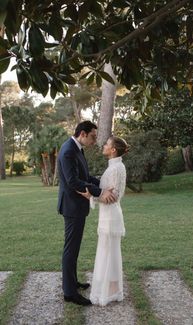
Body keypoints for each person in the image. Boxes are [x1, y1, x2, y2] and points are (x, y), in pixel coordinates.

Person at [57, 121, 116, 306]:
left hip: (77, 206)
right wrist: (100, 193)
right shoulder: (68, 151)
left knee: (74, 249)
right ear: (82, 134)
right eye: (92, 136)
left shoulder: (77, 149)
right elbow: (73, 181)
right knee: (70, 249)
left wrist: (103, 184)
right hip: (72, 207)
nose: (94, 141)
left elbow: (85, 177)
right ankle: (69, 293)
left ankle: (72, 283)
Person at [79, 136, 129, 306]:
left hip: (110, 217)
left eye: (107, 144)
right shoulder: (115, 167)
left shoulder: (116, 169)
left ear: (113, 149)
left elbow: (113, 197)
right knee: (109, 253)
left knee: (108, 254)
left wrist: (91, 196)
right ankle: (111, 289)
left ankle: (108, 291)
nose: (104, 145)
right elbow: (106, 189)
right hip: (108, 216)